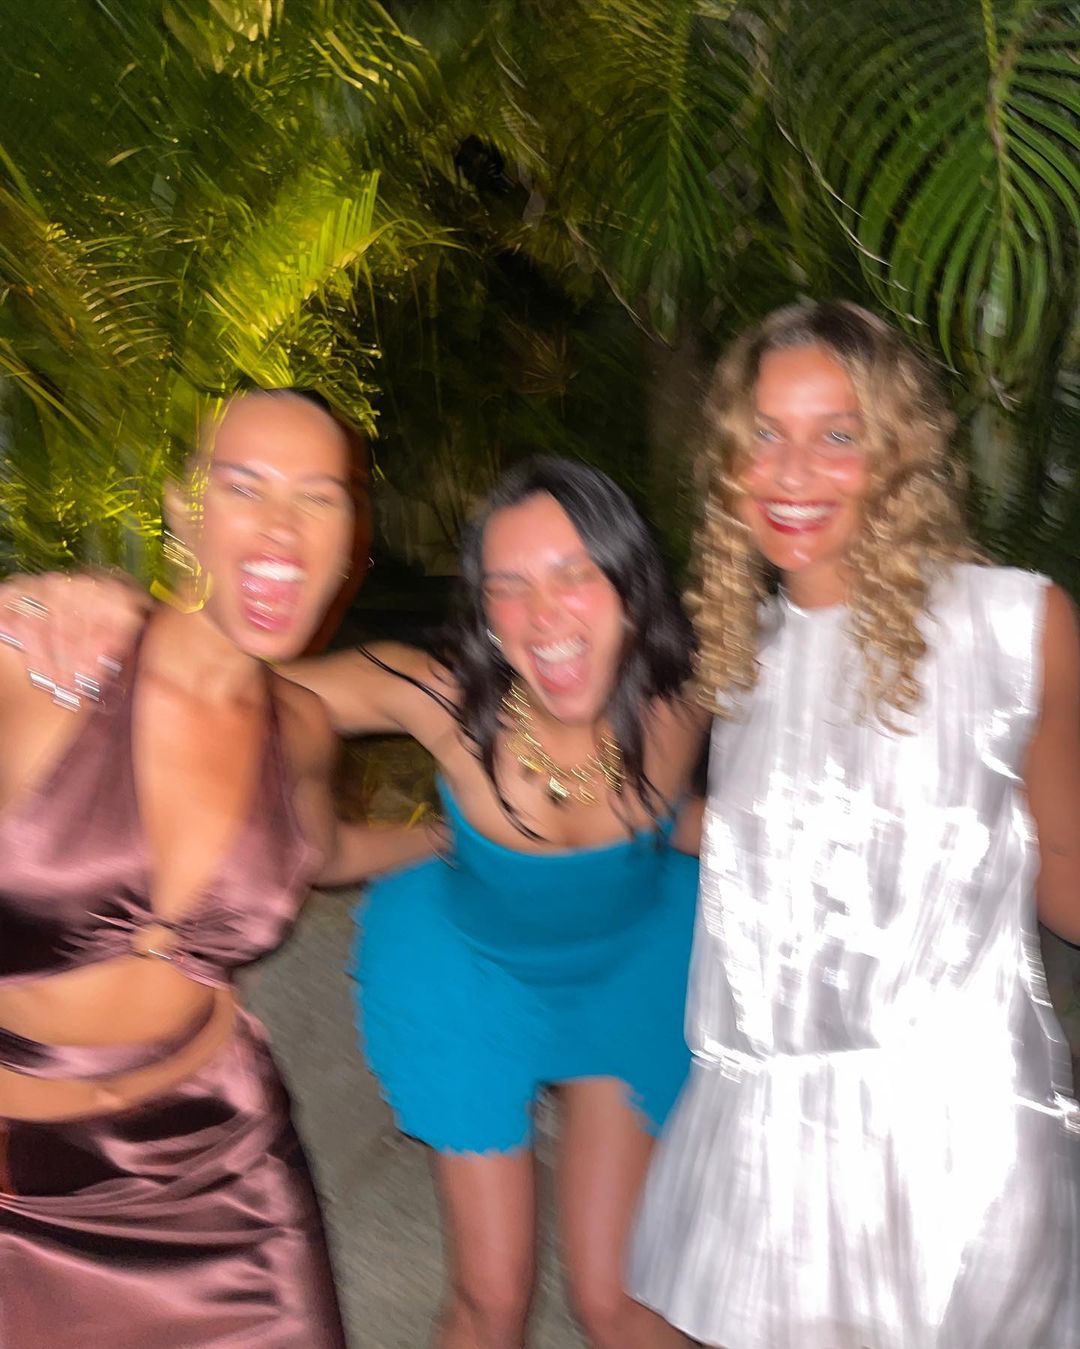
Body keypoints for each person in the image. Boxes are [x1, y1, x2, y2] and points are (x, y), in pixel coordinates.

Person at [6, 455, 707, 1349]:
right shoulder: (441, 696)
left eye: (575, 574)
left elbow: (704, 800)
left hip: (626, 974)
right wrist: (104, 613)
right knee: (492, 1297)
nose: (544, 616)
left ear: (631, 584)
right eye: (508, 586)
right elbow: (225, 684)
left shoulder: (691, 695)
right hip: (476, 984)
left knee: (616, 1304)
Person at [629, 301, 1080, 1348]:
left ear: (896, 453)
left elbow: (1063, 868)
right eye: (765, 435)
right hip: (772, 1140)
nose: (792, 473)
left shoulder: (1014, 624)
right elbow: (700, 821)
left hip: (959, 1147)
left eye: (837, 434)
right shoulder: (734, 654)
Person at [0, 389, 433, 1348]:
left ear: (350, 539)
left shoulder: (302, 727)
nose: (283, 526)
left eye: (320, 497)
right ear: (183, 511)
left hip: (227, 1177)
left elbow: (320, 851)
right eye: (245, 487)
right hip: (19, 1193)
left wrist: (444, 840)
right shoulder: (40, 663)